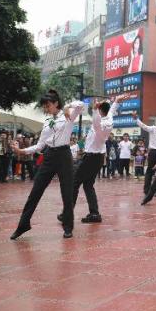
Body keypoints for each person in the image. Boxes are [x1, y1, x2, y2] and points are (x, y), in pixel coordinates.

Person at [10, 90, 84, 240]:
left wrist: (67, 106)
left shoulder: (68, 115)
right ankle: (23, 225)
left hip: (64, 156)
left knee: (67, 193)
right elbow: (39, 146)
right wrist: (21, 150)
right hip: (49, 156)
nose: (46, 109)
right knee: (35, 191)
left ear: (56, 103)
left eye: (48, 105)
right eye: (45, 106)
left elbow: (81, 104)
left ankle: (68, 227)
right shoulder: (46, 122)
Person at [56, 95, 124, 225]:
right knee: (87, 185)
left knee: (74, 182)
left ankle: (67, 214)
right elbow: (110, 112)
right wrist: (116, 102)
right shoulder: (108, 118)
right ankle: (94, 213)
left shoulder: (102, 124)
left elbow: (96, 123)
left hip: (92, 157)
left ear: (99, 111)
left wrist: (94, 110)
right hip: (97, 157)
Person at [134, 115, 156, 196]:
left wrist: (136, 119)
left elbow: (143, 126)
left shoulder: (154, 128)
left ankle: (147, 190)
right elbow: (144, 126)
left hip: (154, 152)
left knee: (150, 171)